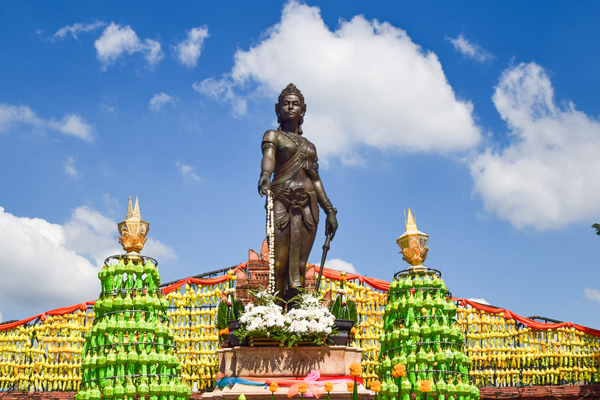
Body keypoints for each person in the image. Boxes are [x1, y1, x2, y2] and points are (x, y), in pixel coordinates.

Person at [258, 83, 338, 302]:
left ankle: (297, 313)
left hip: (307, 206)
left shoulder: (309, 146)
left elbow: (316, 180)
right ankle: (273, 309)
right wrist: (265, 175)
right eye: (286, 104)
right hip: (281, 200)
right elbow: (269, 157)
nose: (291, 107)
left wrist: (329, 210)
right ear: (278, 108)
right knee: (279, 261)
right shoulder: (273, 135)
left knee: (300, 264)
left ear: (303, 110)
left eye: (295, 104)